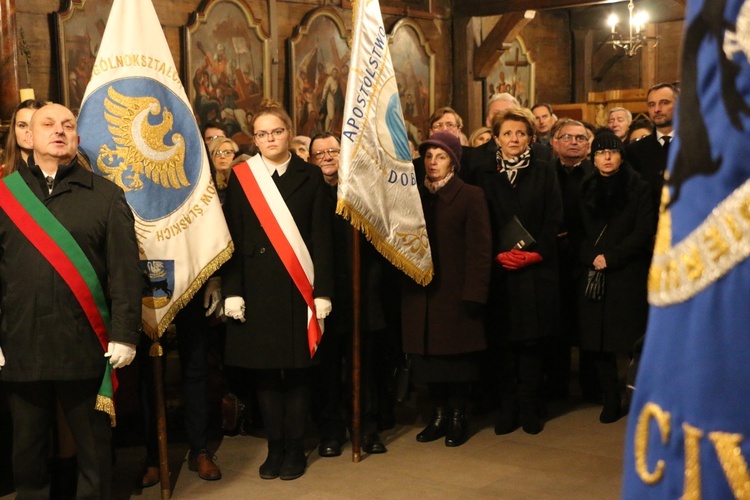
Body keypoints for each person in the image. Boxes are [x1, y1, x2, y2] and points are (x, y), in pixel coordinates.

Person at [0, 103, 142, 498]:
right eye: (48, 124)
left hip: (86, 345)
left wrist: (125, 334)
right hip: (21, 341)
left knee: (94, 450)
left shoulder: (107, 196)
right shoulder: (4, 195)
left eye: (68, 125)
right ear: (27, 136)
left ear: (77, 138)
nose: (59, 131)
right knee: (27, 447)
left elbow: (125, 273)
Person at [221, 99, 334, 480]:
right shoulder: (242, 177)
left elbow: (322, 240)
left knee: (299, 373)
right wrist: (232, 290)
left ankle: (297, 449)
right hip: (256, 288)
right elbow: (233, 238)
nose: (270, 138)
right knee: (266, 373)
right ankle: (275, 447)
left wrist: (323, 293)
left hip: (298, 289)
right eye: (262, 134)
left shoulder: (311, 176)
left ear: (289, 132)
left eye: (277, 131)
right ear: (254, 139)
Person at [401, 131, 491, 447]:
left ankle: (457, 416)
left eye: (440, 156)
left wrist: (474, 294)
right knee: (428, 361)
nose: (433, 162)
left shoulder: (470, 195)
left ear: (453, 161)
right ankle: (437, 416)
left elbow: (480, 250)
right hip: (421, 294)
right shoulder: (414, 196)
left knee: (457, 362)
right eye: (428, 156)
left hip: (455, 295)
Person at [308, 132, 394, 456]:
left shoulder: (361, 190)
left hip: (363, 293)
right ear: (312, 159)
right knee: (328, 370)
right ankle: (331, 430)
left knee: (365, 367)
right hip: (323, 296)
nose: (328, 157)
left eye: (333, 150)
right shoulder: (309, 191)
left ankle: (367, 427)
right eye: (320, 153)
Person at [480, 108, 562, 435]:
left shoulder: (544, 169)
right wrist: (495, 254)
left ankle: (529, 405)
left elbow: (554, 217)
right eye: (508, 134)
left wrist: (535, 254)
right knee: (502, 340)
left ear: (530, 138)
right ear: (496, 138)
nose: (514, 139)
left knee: (531, 342)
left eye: (520, 134)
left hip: (535, 269)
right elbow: (481, 220)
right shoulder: (484, 173)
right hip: (498, 269)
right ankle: (507, 405)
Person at [577, 132, 655, 424]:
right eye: (600, 153)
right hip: (594, 271)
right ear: (592, 157)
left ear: (621, 155)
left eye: (612, 152)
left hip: (627, 272)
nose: (606, 158)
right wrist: (592, 257)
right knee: (598, 340)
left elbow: (644, 229)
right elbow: (576, 230)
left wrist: (613, 257)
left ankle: (637, 393)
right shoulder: (585, 187)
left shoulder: (638, 187)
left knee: (631, 338)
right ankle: (610, 397)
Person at [548, 121, 595, 401]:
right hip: (553, 258)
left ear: (589, 146)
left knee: (587, 325)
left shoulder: (597, 175)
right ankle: (556, 386)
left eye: (580, 138)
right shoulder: (545, 173)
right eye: (566, 137)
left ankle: (591, 386)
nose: (573, 142)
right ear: (554, 143)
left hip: (585, 257)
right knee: (556, 326)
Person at [626, 83, 679, 214]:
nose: (657, 109)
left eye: (664, 103)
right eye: (651, 105)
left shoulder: (696, 145)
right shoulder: (634, 151)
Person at [2, 99, 47, 173]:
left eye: (34, 125)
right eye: (22, 126)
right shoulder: (4, 175)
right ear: (14, 129)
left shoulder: (60, 174)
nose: (28, 131)